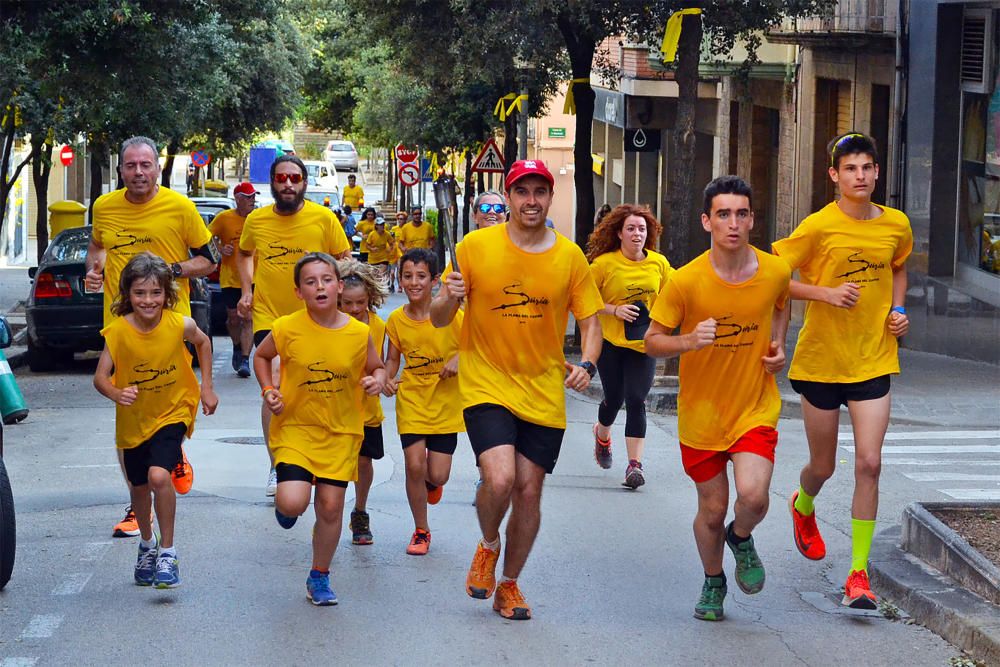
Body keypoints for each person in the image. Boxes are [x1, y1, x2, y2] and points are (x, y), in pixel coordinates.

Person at [431, 159, 603, 620]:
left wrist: (587, 363)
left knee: (529, 491)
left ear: (549, 198)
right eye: (521, 191)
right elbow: (439, 318)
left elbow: (591, 321)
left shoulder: (569, 257)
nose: (531, 200)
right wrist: (448, 295)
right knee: (501, 478)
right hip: (487, 380)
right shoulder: (473, 247)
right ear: (508, 197)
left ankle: (509, 584)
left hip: (544, 388)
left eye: (539, 192)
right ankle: (489, 545)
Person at [773, 132, 912, 610]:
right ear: (834, 175)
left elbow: (897, 267)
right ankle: (802, 503)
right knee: (824, 466)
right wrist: (825, 293)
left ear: (877, 173)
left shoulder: (895, 224)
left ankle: (858, 574)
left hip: (873, 357)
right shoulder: (817, 227)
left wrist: (897, 309)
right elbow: (775, 278)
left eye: (867, 168)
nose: (860, 176)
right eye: (850, 168)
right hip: (821, 361)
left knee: (870, 463)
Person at [644, 175, 791, 622]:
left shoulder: (775, 271)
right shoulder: (684, 282)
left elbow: (782, 302)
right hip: (702, 415)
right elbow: (652, 341)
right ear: (707, 221)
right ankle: (713, 581)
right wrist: (688, 341)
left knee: (754, 496)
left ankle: (741, 537)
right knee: (711, 510)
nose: (733, 223)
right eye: (723, 214)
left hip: (753, 407)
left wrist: (779, 346)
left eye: (741, 214)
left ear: (751, 220)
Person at [86, 136, 215, 539]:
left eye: (145, 165)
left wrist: (169, 272)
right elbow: (98, 248)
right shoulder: (105, 207)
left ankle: (170, 447)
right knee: (130, 415)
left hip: (171, 322)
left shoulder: (180, 207)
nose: (138, 172)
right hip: (123, 326)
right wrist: (93, 270)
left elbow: (210, 261)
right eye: (130, 166)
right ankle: (136, 499)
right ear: (121, 170)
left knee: (168, 400)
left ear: (157, 168)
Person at [253, 253, 386, 606]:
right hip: (296, 428)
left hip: (341, 433)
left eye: (326, 279)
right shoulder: (286, 327)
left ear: (339, 286)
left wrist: (377, 380)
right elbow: (262, 357)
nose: (320, 287)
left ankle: (319, 576)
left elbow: (377, 367)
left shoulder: (359, 333)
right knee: (293, 502)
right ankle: (287, 506)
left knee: (329, 508)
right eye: (310, 282)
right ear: (299, 292)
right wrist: (269, 390)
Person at [93, 253, 218, 589]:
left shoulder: (179, 324)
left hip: (174, 410)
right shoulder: (118, 332)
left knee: (159, 476)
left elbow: (203, 343)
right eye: (140, 293)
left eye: (155, 293)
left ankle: (167, 552)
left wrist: (206, 387)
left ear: (166, 294)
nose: (148, 301)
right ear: (127, 295)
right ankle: (147, 543)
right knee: (139, 487)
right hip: (134, 419)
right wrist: (116, 393)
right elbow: (101, 377)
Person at [237, 154, 352, 498]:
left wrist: (333, 292)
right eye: (282, 178)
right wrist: (247, 289)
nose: (288, 184)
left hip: (316, 319)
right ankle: (278, 465)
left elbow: (344, 258)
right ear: (271, 182)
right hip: (270, 316)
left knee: (311, 386)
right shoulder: (256, 221)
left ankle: (312, 455)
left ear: (304, 183)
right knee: (274, 382)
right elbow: (244, 254)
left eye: (295, 178)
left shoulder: (323, 218)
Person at [586, 204, 672, 489]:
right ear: (619, 233)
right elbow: (585, 299)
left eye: (642, 229)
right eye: (631, 229)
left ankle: (634, 466)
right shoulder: (603, 265)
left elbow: (673, 295)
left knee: (636, 399)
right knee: (614, 399)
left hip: (644, 344)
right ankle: (602, 434)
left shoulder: (658, 264)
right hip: (611, 343)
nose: (637, 234)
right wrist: (614, 310)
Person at [385, 249, 464, 556]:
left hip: (446, 404)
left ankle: (433, 483)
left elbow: (477, 346)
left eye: (421, 277)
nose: (414, 283)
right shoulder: (396, 320)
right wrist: (388, 379)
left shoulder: (454, 314)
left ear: (434, 281)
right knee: (414, 465)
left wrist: (459, 358)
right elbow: (392, 360)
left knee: (438, 474)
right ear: (399, 279)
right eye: (407, 276)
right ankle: (421, 530)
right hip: (413, 401)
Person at [337, 259, 389, 545]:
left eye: (360, 302)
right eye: (348, 303)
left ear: (370, 297)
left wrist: (380, 379)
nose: (355, 309)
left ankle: (360, 511)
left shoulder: (377, 325)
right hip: (335, 407)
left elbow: (379, 363)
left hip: (367, 407)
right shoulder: (330, 324)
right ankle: (328, 513)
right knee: (333, 466)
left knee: (364, 461)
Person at [210, 182, 257, 377]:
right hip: (230, 278)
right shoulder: (224, 219)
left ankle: (245, 359)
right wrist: (220, 250)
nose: (252, 200)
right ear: (237, 199)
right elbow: (206, 238)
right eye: (248, 197)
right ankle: (237, 346)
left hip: (254, 277)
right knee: (234, 318)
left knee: (248, 318)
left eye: (254, 196)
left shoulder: (258, 219)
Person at [365, 217, 395, 286]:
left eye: (383, 224)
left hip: (383, 257)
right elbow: (367, 245)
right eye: (380, 224)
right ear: (376, 226)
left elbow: (391, 243)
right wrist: (372, 249)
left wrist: (390, 249)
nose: (382, 226)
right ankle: (376, 287)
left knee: (381, 273)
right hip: (373, 258)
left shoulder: (387, 234)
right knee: (374, 275)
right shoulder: (372, 234)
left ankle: (381, 287)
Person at [388, 211, 406, 292]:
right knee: (392, 272)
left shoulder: (406, 229)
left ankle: (400, 286)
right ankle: (391, 284)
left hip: (401, 252)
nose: (400, 220)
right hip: (393, 252)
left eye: (401, 219)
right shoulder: (394, 229)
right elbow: (390, 239)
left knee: (399, 270)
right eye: (398, 219)